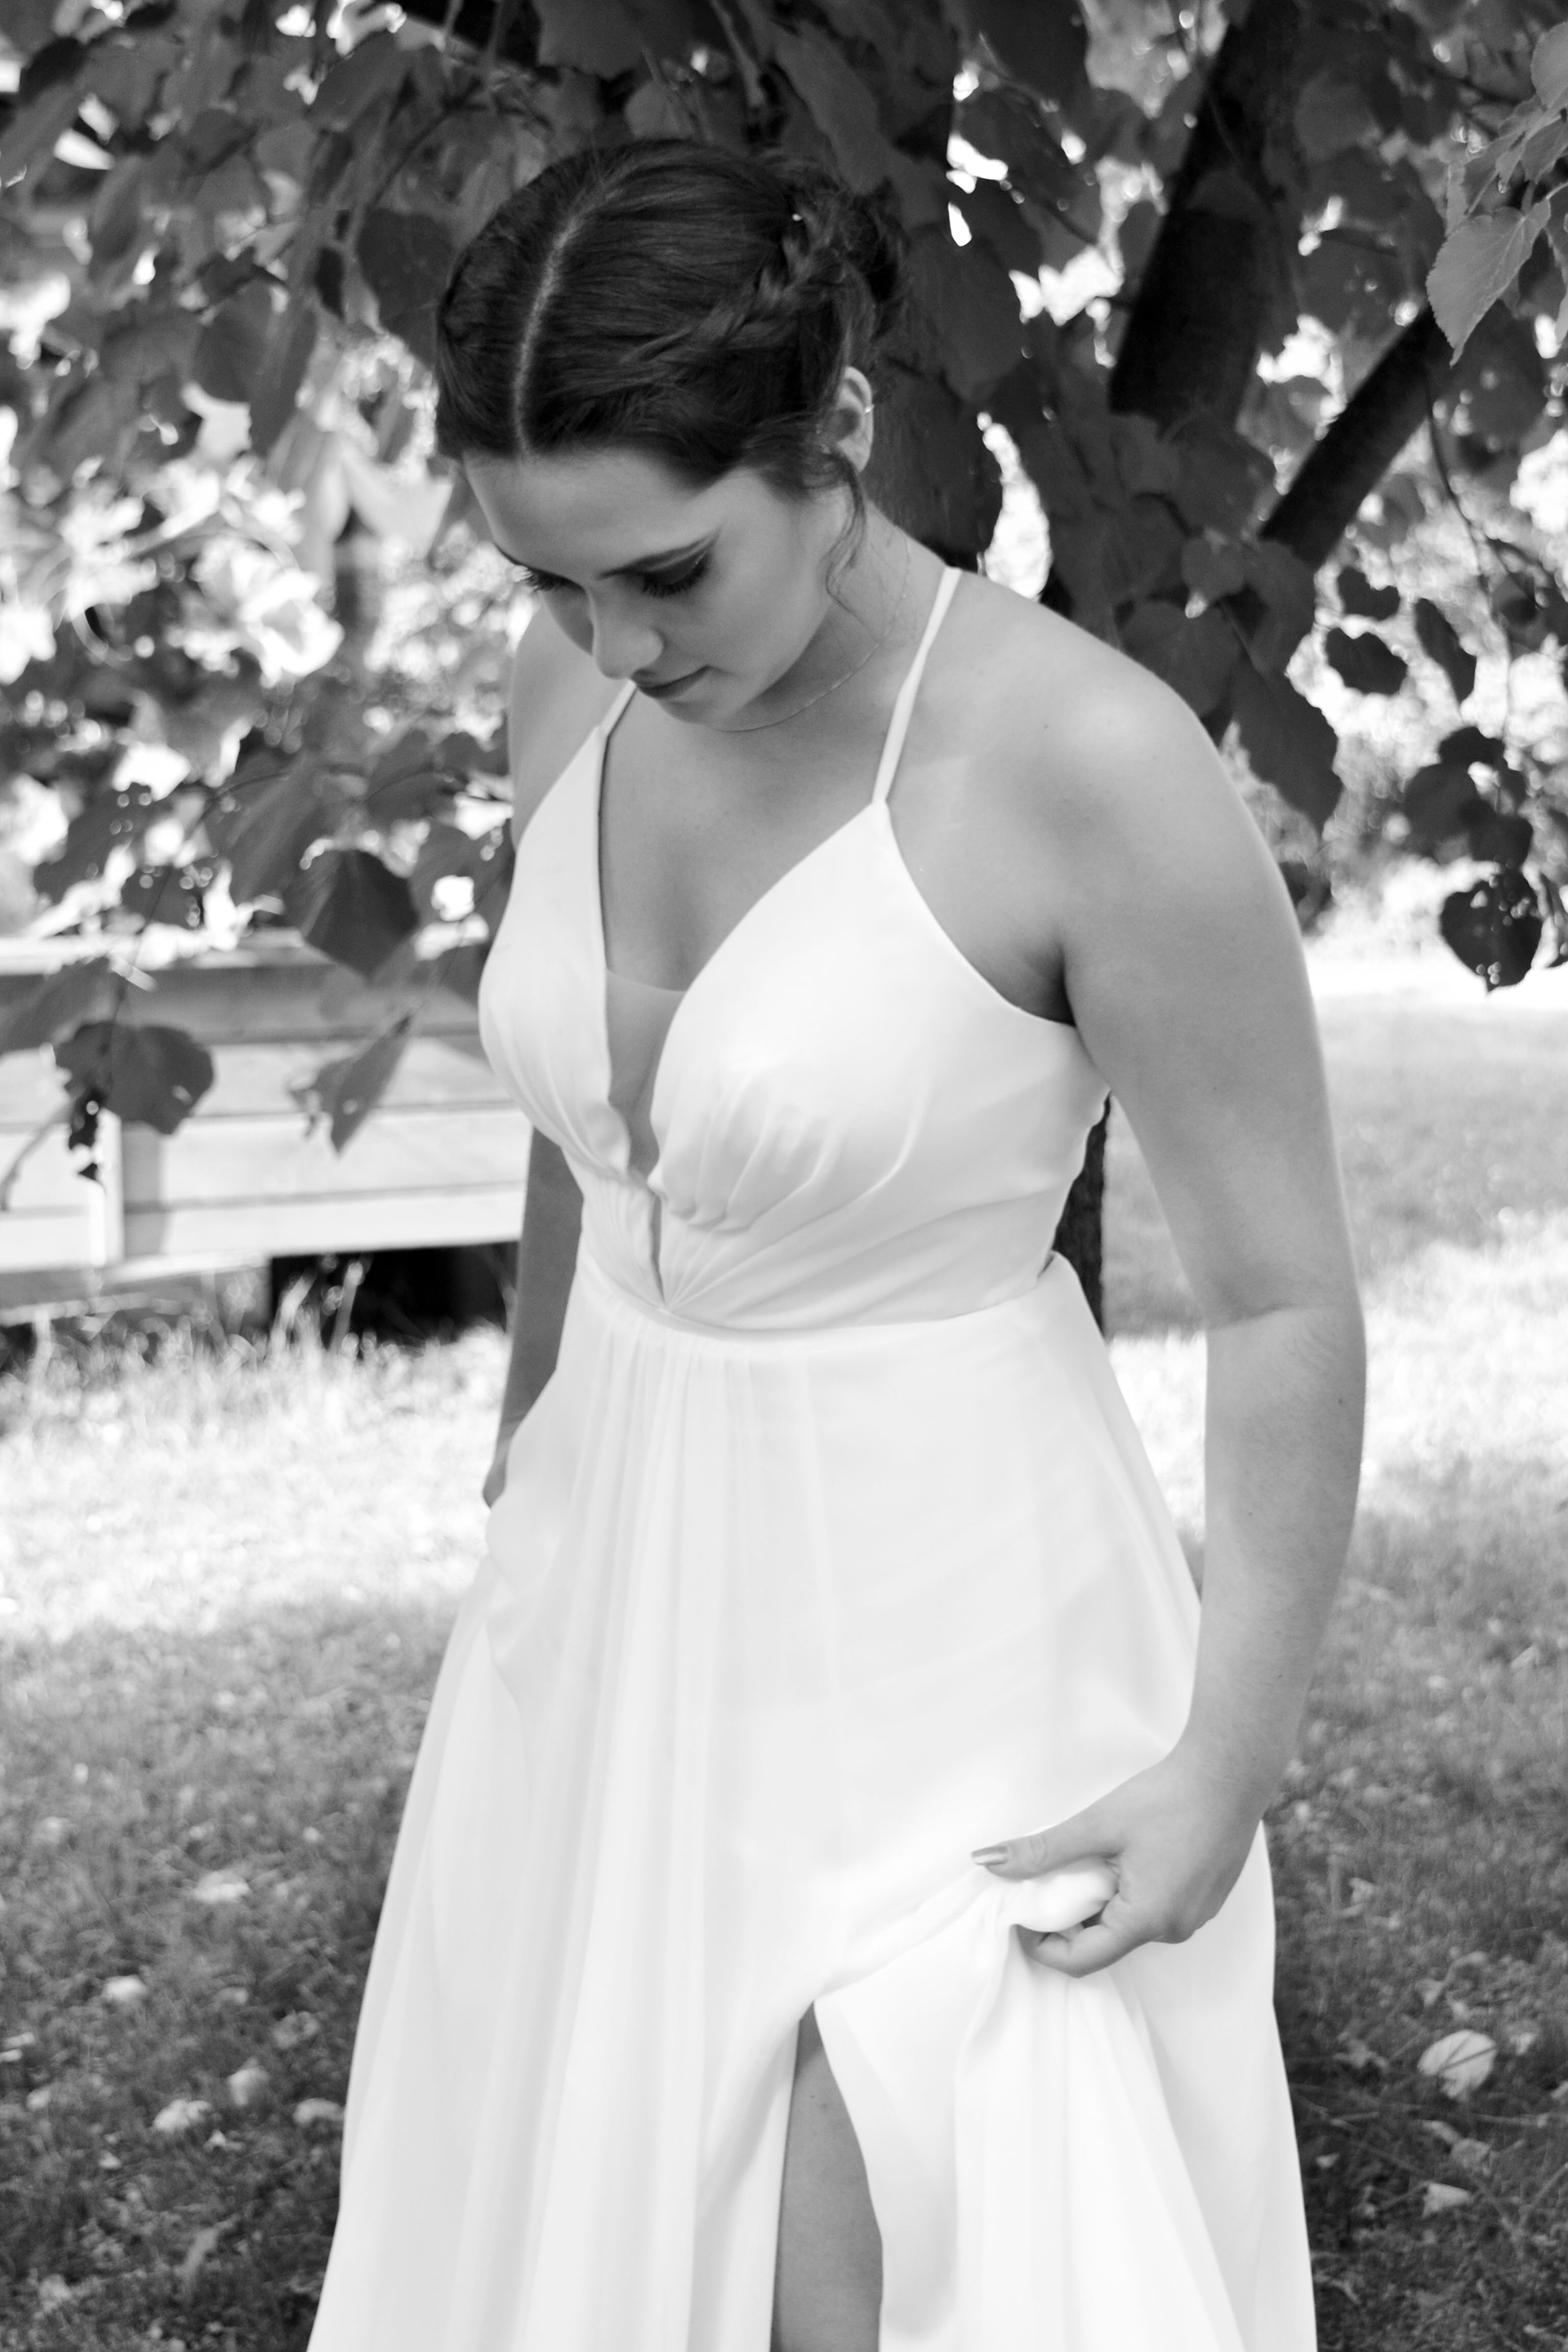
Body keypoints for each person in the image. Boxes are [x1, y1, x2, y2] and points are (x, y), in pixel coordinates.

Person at [307, 140, 1365, 2352]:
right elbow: (611, 1136)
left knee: (880, 2234)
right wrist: (530, 1451)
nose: (615, 642)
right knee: (594, 2222)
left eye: (668, 571)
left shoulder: (1090, 767)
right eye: (548, 580)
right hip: (607, 1592)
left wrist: (1225, 1763)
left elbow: (1280, 1294)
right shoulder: (576, 690)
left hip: (951, 1623)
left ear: (841, 435)